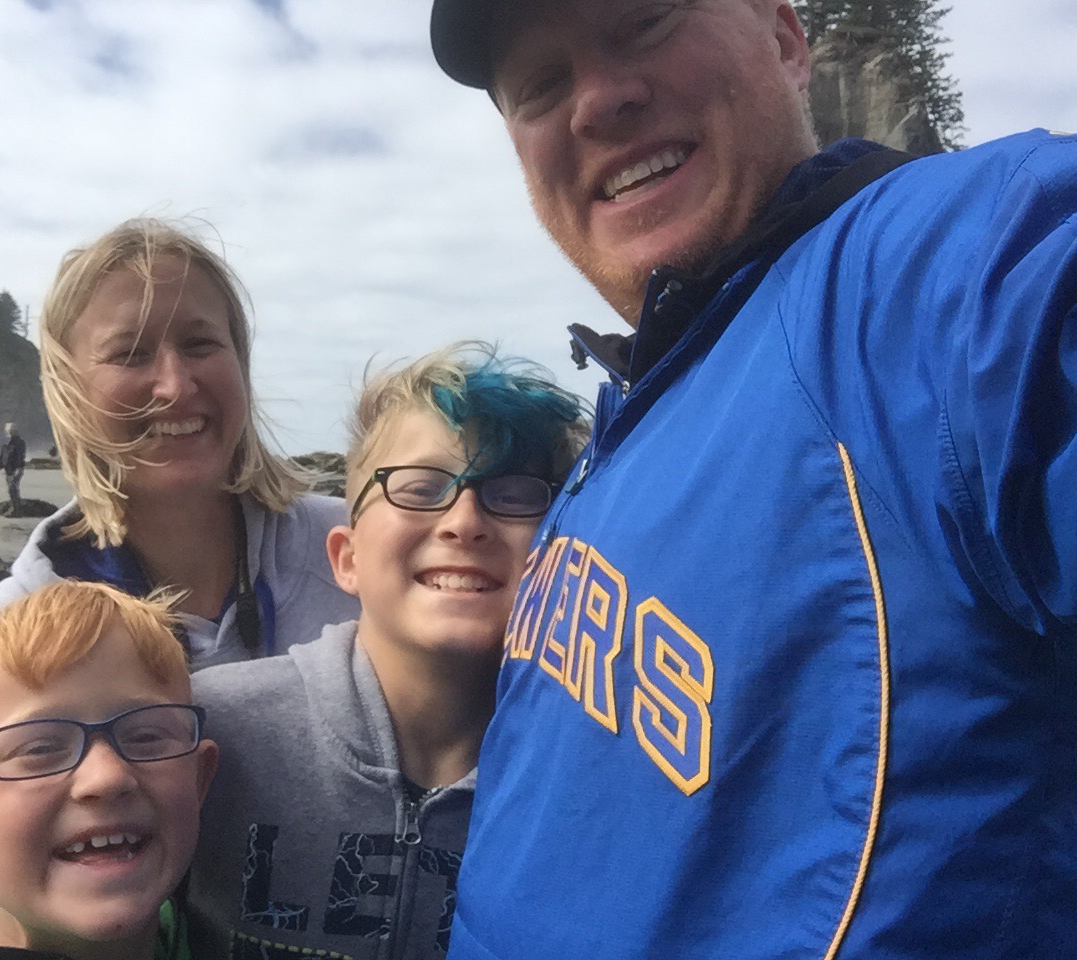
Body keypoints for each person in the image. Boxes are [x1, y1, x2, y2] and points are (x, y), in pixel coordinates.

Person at [427, 2, 1076, 958]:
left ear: (784, 37)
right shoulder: (619, 434)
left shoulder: (942, 268)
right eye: (541, 85)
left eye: (645, 22)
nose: (597, 101)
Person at [0, 219, 360, 960]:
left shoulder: (364, 562)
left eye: (202, 343)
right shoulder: (10, 629)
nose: (175, 383)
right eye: (130, 353)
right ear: (67, 387)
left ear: (241, 360)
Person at [184, 343, 588, 960]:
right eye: (421, 488)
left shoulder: (588, 775)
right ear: (346, 559)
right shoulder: (212, 729)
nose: (464, 521)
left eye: (514, 494)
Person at [0, 581, 218, 960]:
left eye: (147, 736)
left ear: (199, 779)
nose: (107, 777)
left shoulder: (228, 935)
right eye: (39, 749)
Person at [0, 422, 27, 517]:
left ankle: (16, 510)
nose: (11, 432)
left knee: (13, 489)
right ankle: (14, 508)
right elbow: (3, 458)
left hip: (16, 469)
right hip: (8, 470)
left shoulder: (19, 443)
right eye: (9, 431)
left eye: (12, 431)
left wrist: (20, 468)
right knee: (11, 489)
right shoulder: (5, 444)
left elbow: (21, 456)